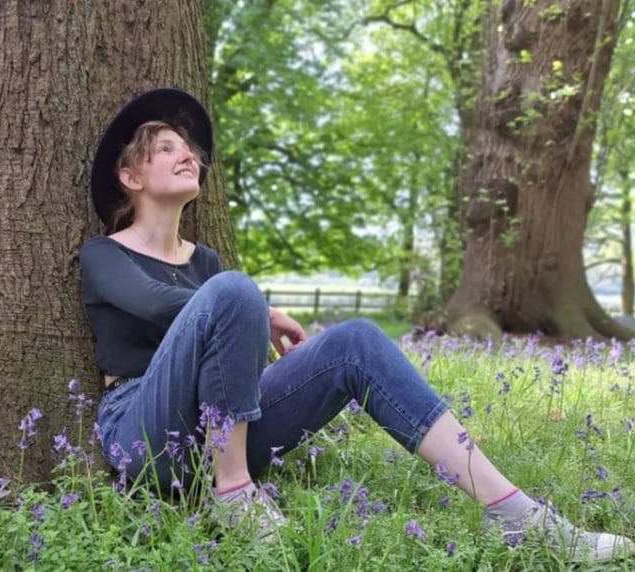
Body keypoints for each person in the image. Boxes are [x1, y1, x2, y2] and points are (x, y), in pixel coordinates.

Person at [81, 87, 634, 562]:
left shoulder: (206, 262)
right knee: (236, 288)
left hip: (220, 437)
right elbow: (153, 304)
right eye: (166, 148)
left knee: (356, 340)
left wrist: (245, 313)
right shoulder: (105, 253)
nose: (187, 155)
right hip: (143, 435)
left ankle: (515, 513)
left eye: (189, 148)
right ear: (130, 176)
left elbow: (229, 371)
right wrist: (255, 308)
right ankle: (234, 494)